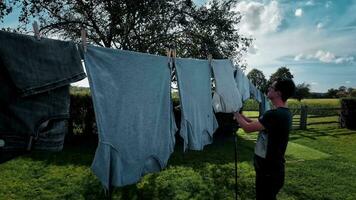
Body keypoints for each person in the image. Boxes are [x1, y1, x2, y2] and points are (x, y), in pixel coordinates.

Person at [234, 78, 296, 200]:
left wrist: (235, 113)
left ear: (278, 93)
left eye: (272, 87)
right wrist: (243, 117)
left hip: (268, 171)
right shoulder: (285, 113)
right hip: (275, 170)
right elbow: (259, 124)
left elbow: (247, 128)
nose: (268, 88)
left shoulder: (273, 114)